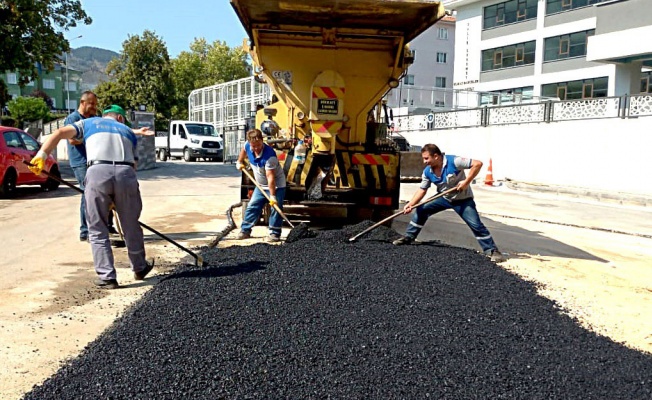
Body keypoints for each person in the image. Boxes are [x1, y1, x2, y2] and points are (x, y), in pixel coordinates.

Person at [29, 105, 155, 289]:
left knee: (97, 227)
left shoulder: (88, 123)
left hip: (97, 172)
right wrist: (119, 196)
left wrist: (41, 155)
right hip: (126, 173)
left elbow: (59, 132)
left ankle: (107, 277)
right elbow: (134, 164)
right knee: (131, 225)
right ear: (119, 118)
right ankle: (139, 268)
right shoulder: (127, 131)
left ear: (104, 116)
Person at [392, 144, 506, 263]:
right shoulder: (427, 172)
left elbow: (477, 164)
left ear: (436, 156)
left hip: (463, 200)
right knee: (422, 209)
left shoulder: (454, 161)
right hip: (444, 198)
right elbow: (422, 189)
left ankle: (492, 250)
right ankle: (409, 237)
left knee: (476, 225)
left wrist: (466, 182)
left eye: (426, 158)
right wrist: (411, 204)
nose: (424, 161)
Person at [65, 91, 119, 241]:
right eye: (92, 104)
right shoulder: (73, 118)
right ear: (83, 103)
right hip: (81, 162)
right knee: (88, 194)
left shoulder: (94, 119)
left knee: (106, 192)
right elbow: (72, 140)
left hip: (97, 161)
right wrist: (93, 138)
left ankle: (107, 226)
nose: (95, 107)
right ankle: (86, 231)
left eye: (95, 104)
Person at [235, 129, 287, 242]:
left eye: (258, 145)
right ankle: (245, 230)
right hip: (261, 185)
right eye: (254, 146)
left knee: (276, 208)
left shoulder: (270, 156)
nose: (256, 148)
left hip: (276, 186)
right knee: (253, 205)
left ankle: (274, 233)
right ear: (250, 143)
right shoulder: (248, 145)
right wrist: (239, 161)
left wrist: (272, 196)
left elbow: (271, 178)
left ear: (262, 141)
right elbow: (243, 150)